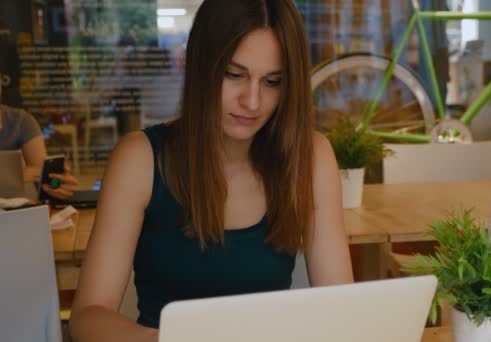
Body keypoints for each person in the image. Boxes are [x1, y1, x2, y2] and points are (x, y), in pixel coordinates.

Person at [69, 1, 354, 341]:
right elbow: (87, 318)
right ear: (198, 66)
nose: (252, 101)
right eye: (234, 75)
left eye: (272, 82)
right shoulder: (140, 159)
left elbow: (341, 308)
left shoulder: (310, 157)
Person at [0, 70, 79, 199]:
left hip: (16, 215)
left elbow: (42, 178)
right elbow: (26, 175)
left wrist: (58, 185)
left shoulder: (20, 121)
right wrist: (17, 176)